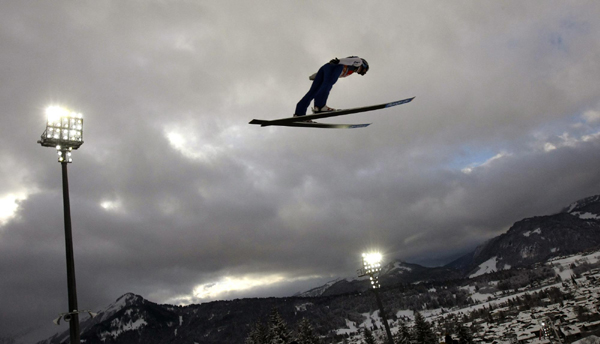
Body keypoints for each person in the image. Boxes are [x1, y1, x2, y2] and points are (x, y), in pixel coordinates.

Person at [294, 56, 369, 120]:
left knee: (313, 92)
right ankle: (320, 106)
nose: (361, 72)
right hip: (336, 67)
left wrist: (317, 75)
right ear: (364, 65)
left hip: (326, 67)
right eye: (363, 71)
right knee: (327, 85)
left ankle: (299, 113)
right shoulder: (359, 61)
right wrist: (338, 61)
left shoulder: (351, 69)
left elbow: (328, 70)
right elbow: (351, 60)